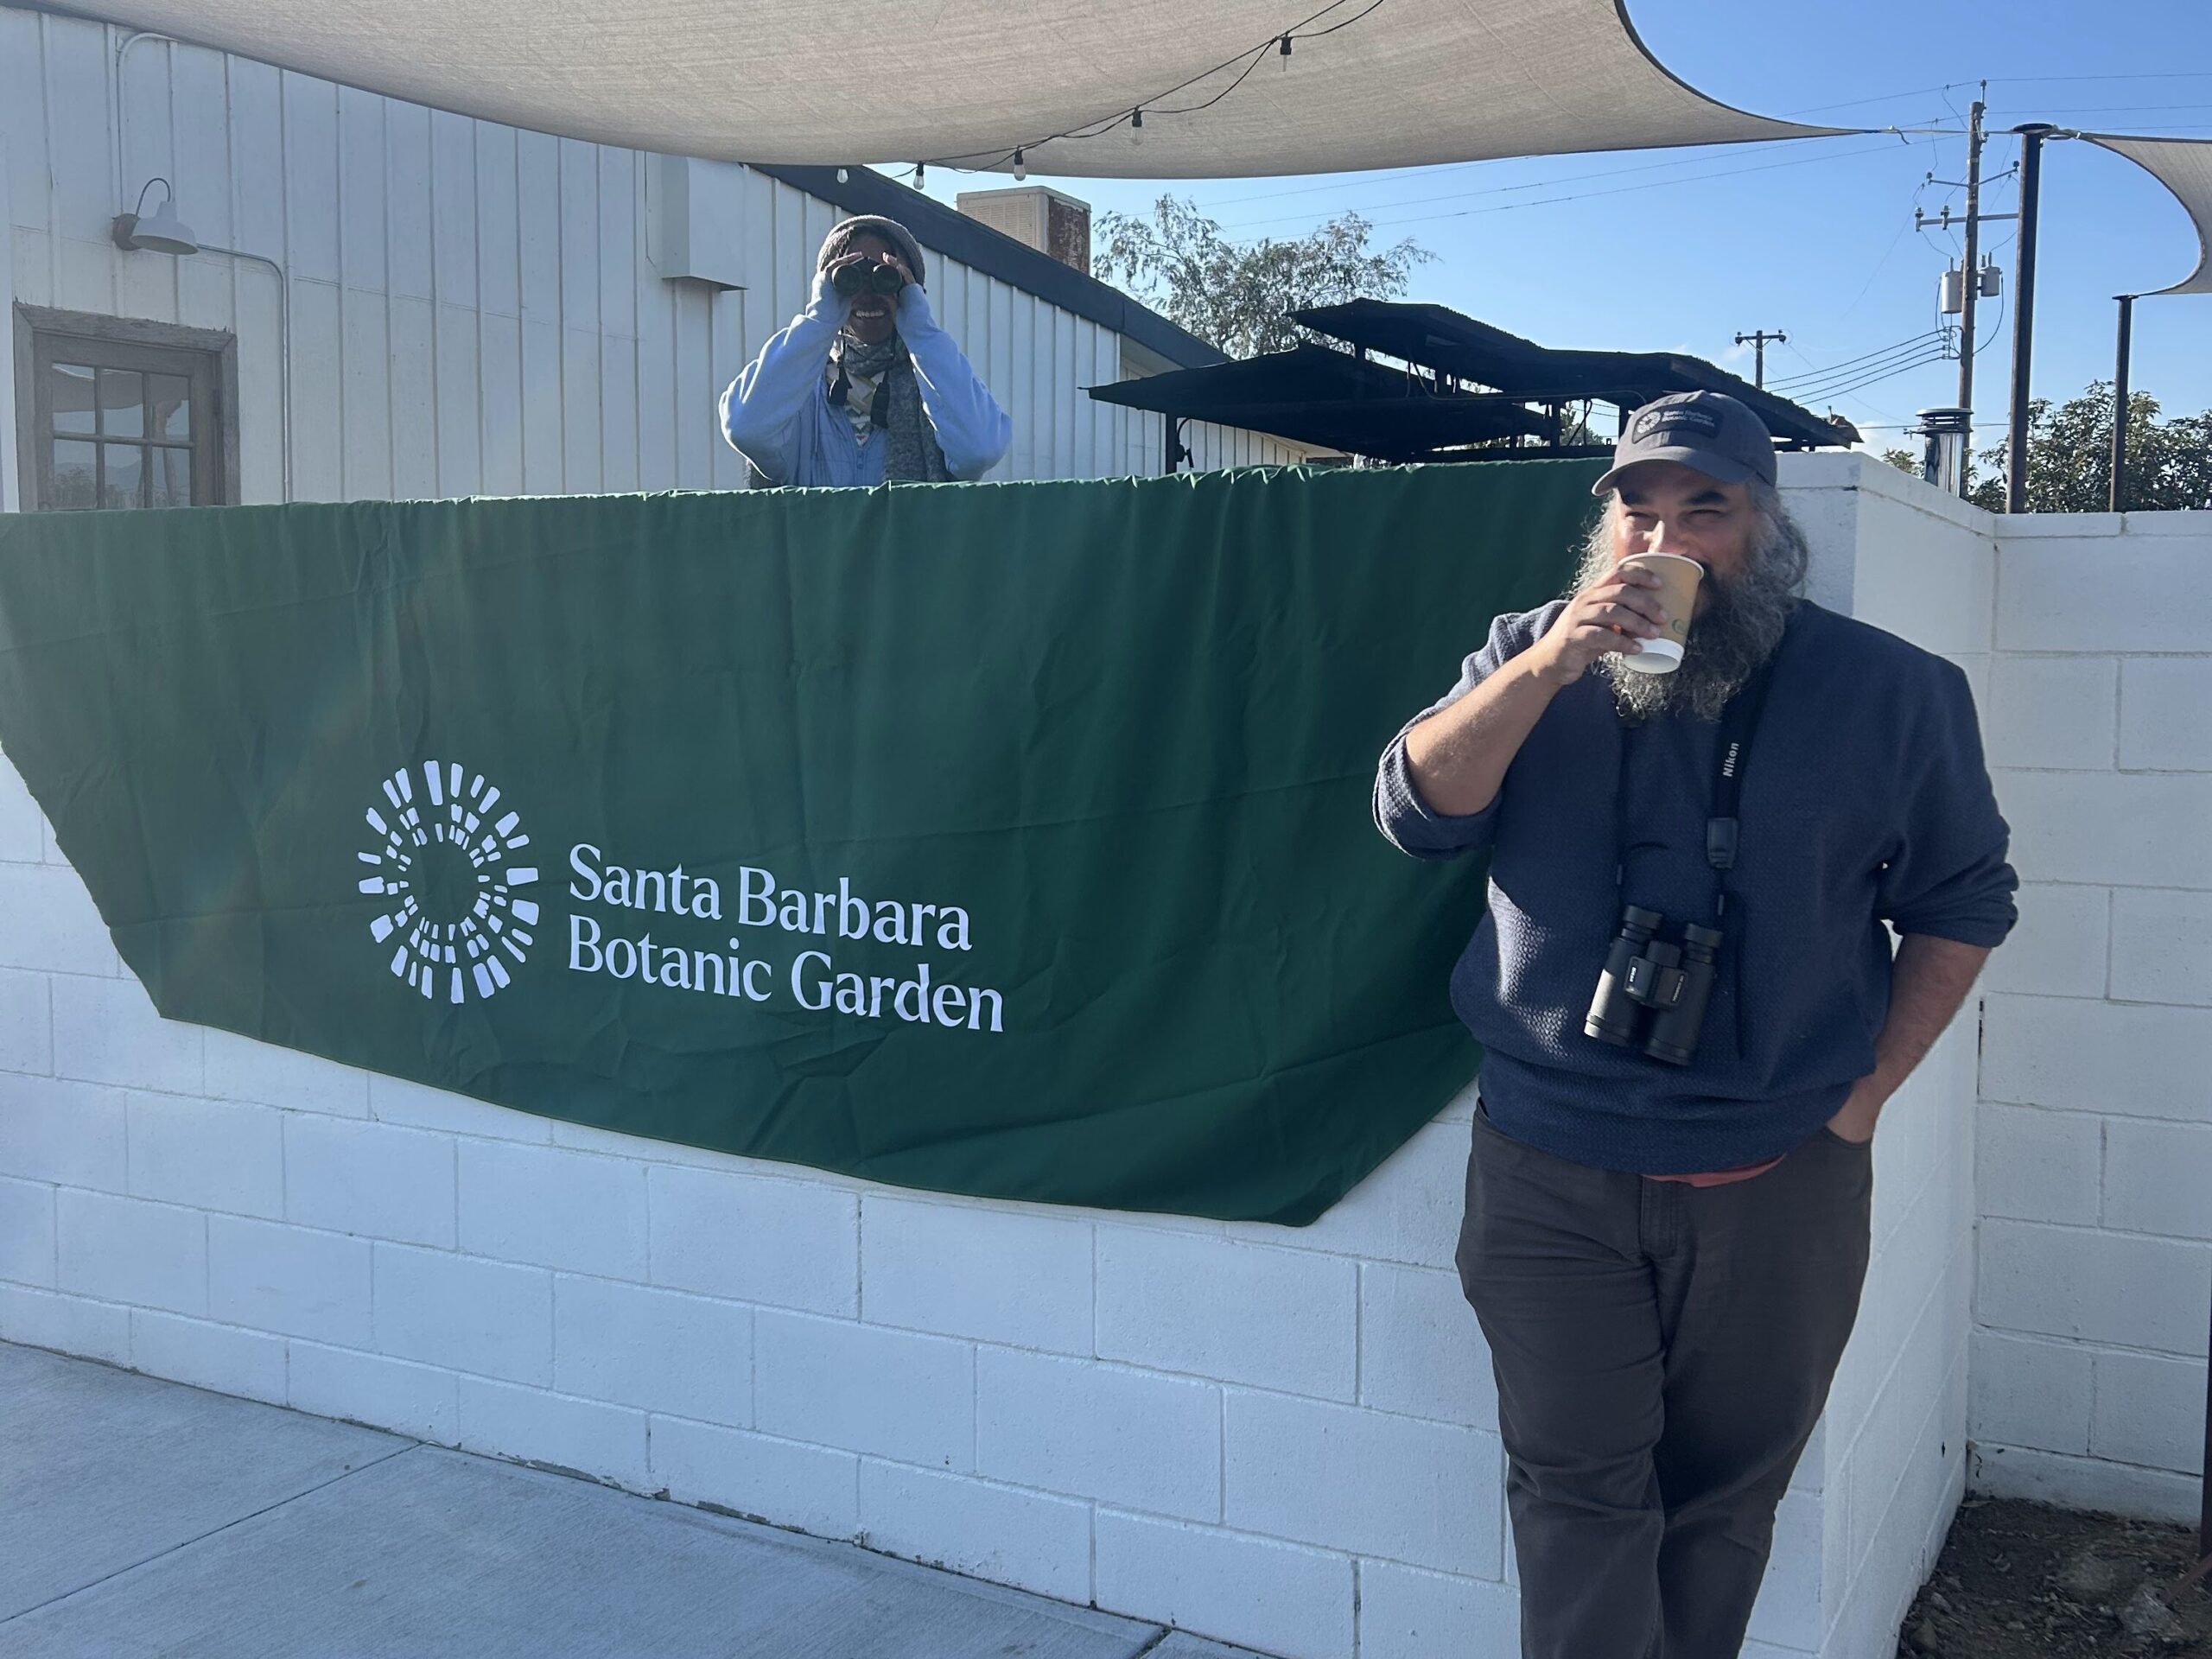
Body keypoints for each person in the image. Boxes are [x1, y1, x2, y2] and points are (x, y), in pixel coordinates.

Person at [1372, 391, 2016, 1659]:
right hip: (1550, 1171)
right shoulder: (1527, 654)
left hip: (1780, 1180)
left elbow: (1964, 902)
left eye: (1703, 509)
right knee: (1577, 1498)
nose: (1664, 540)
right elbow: (1416, 814)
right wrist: (1548, 665)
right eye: (1638, 509)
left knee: (1723, 1506)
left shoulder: (1892, 691)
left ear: (1767, 525)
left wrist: (1862, 1097)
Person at [721, 215, 1010, 487]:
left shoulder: (935, 388)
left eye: (887, 277)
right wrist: (820, 320)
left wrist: (921, 331)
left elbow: (979, 451)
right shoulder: (798, 392)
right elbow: (746, 428)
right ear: (828, 288)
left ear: (912, 290)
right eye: (851, 278)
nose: (869, 295)